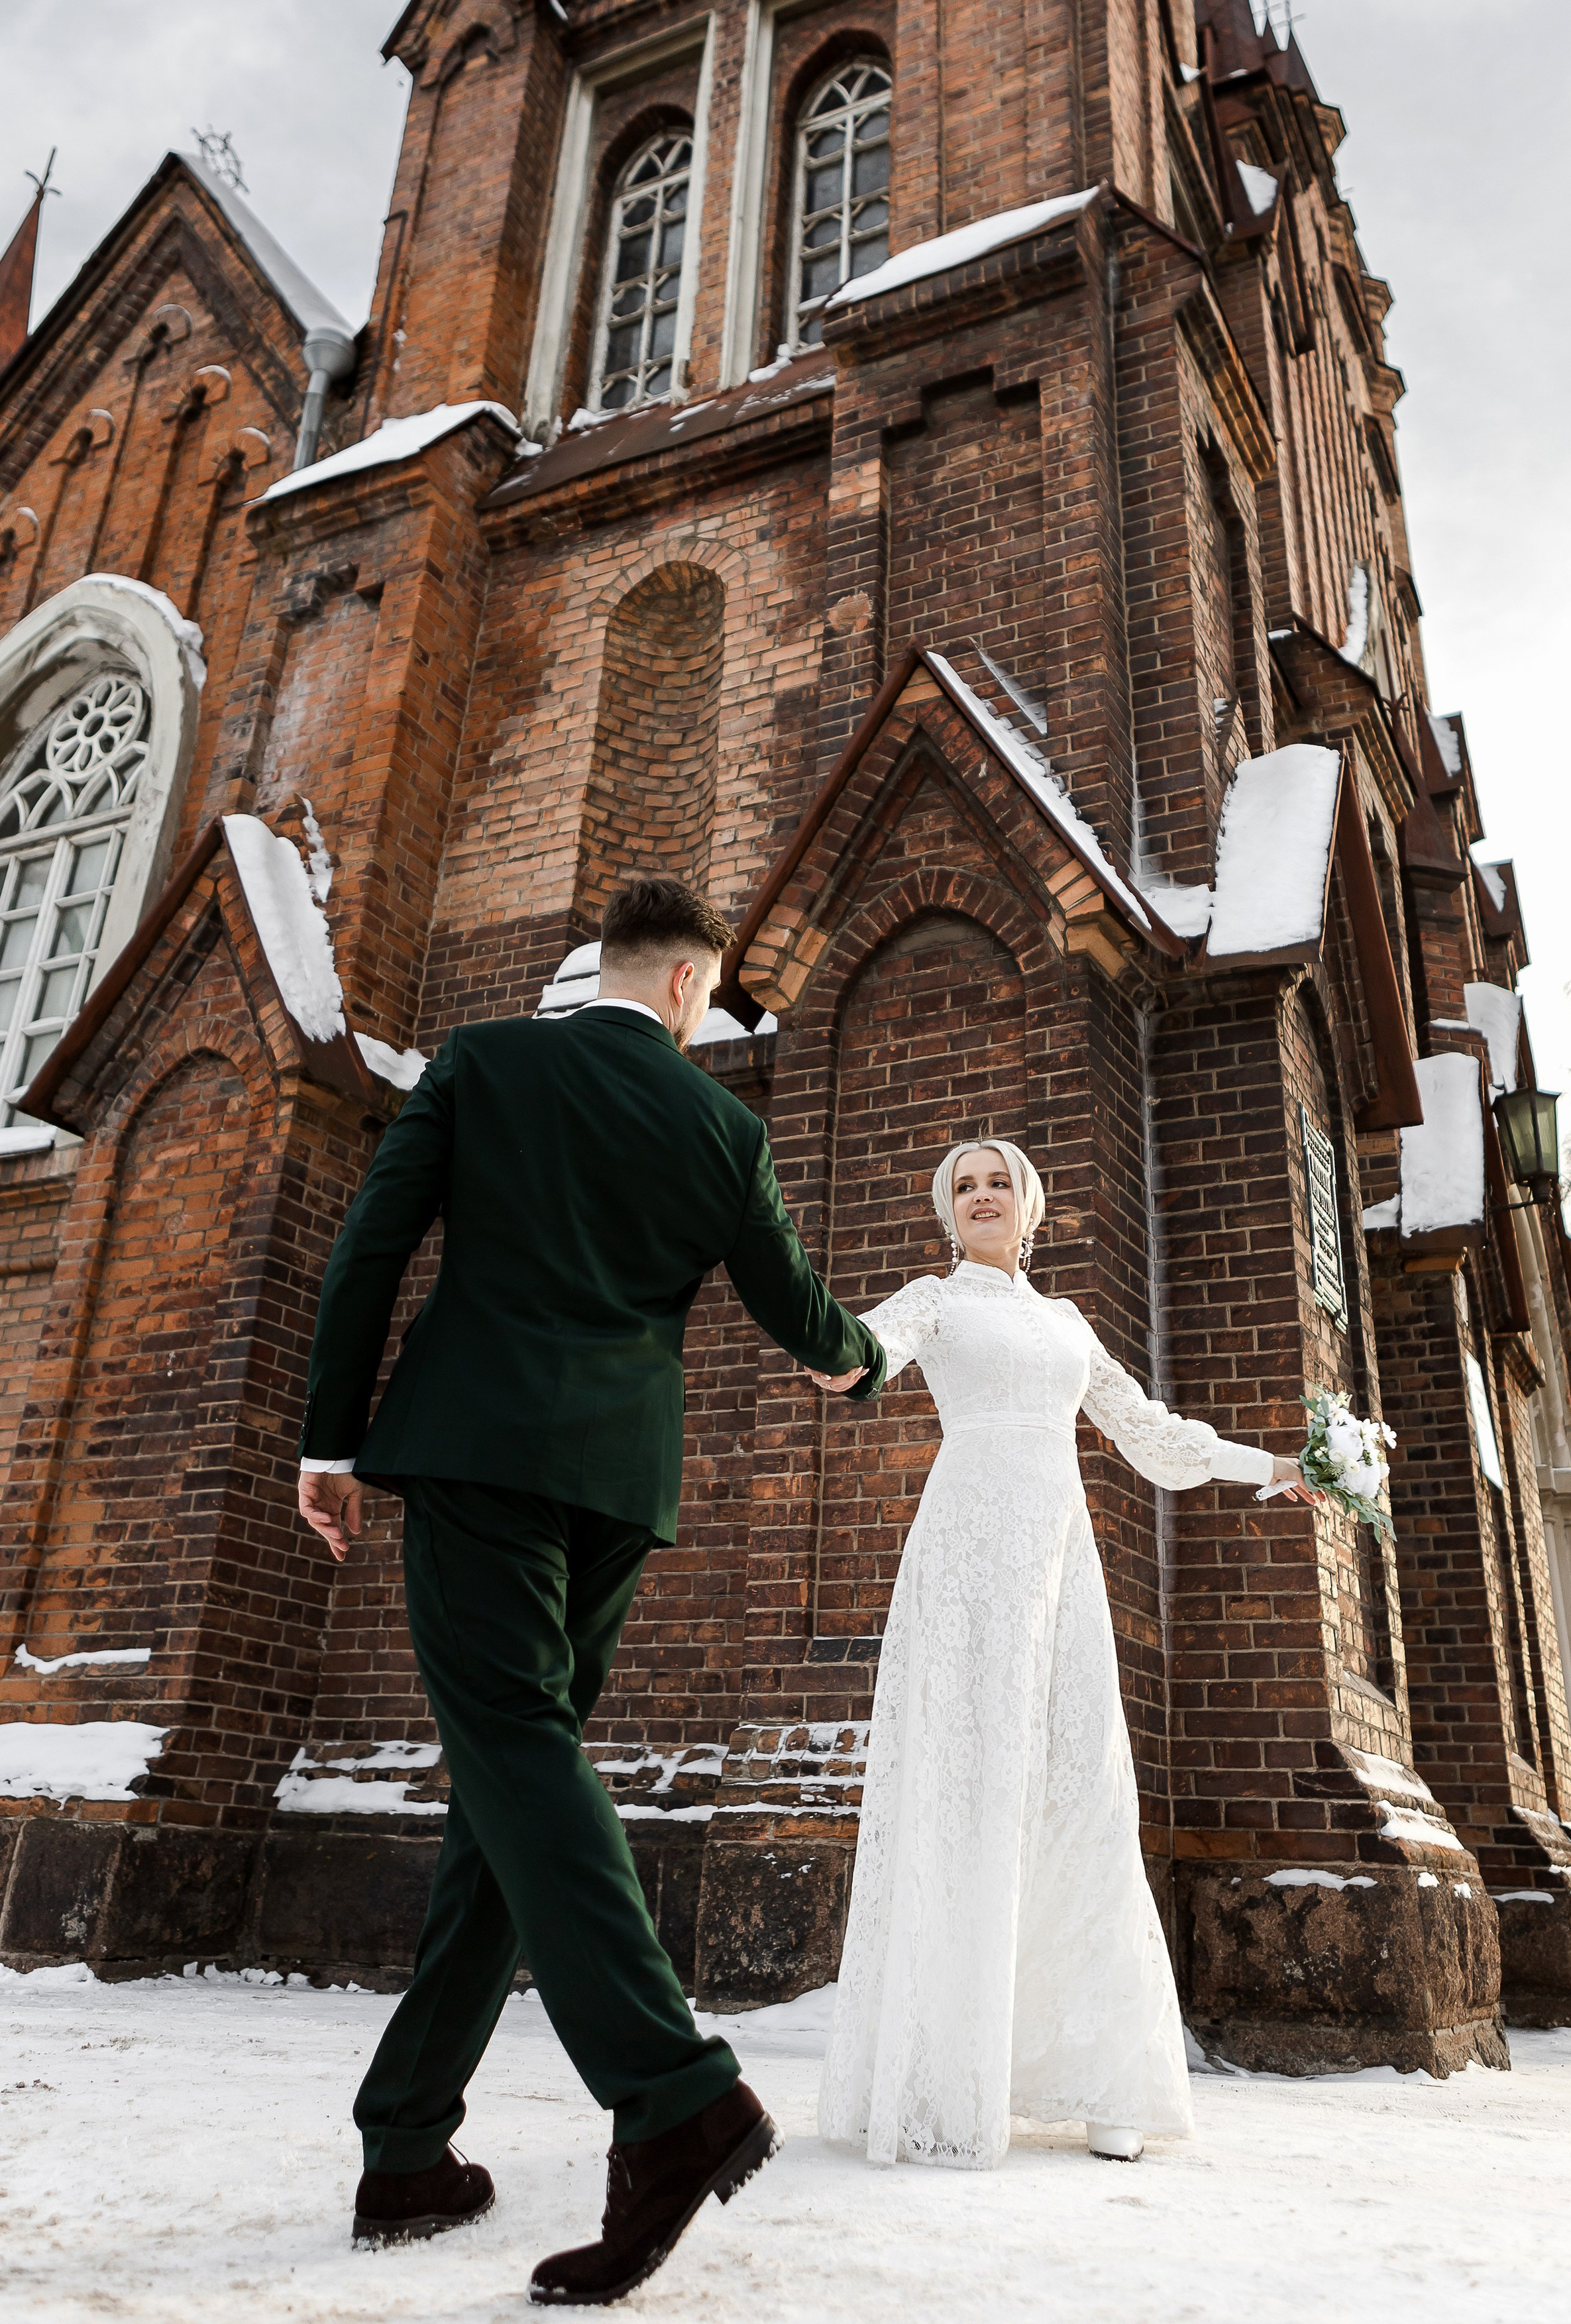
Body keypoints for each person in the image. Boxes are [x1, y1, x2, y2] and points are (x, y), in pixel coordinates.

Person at [295, 874, 886, 2306]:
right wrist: (862, 1356)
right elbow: (799, 1313)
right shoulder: (725, 1126)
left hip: (474, 1450)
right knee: (514, 1788)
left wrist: (331, 1441)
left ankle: (675, 2094)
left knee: (512, 1757)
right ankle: (405, 2145)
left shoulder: (483, 1063)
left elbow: (372, 1244)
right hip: (616, 1485)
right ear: (687, 983)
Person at [811, 1138, 1317, 2172]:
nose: (981, 1196)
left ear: (1029, 1205)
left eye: (998, 1181)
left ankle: (1105, 2081)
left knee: (1083, 1790)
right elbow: (862, 1352)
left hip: (1057, 1568)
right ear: (947, 1213)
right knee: (967, 1789)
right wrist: (830, 1347)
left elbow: (1151, 1436)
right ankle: (946, 2079)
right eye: (964, 1186)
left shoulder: (1068, 1323)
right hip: (965, 1565)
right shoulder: (932, 1302)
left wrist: (1273, 1463)